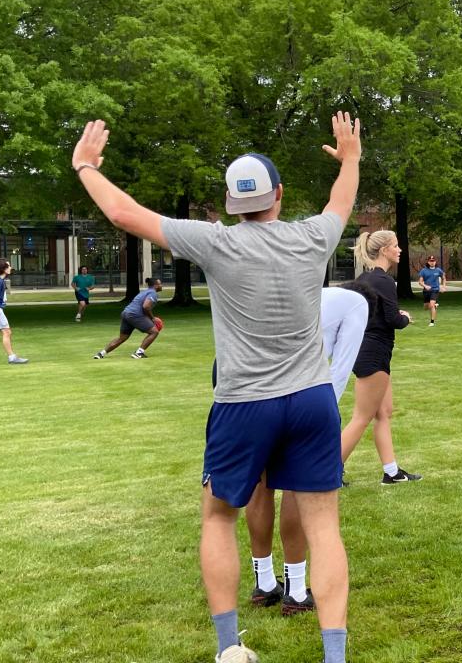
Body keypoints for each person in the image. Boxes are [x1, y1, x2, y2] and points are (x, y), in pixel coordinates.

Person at [72, 111, 360, 663]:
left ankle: (230, 650)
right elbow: (341, 200)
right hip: (311, 401)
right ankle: (334, 657)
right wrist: (350, 158)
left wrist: (85, 165)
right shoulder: (311, 237)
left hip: (243, 404)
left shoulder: (213, 242)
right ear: (278, 194)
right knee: (324, 528)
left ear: (231, 203)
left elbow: (122, 211)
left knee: (217, 517)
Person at [245, 281, 374, 617]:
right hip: (302, 397)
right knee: (296, 487)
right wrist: (324, 415)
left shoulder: (293, 294)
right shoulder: (357, 306)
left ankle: (264, 583)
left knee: (262, 484)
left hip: (252, 391)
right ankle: (297, 590)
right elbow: (341, 367)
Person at [340, 230, 422, 485]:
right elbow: (392, 320)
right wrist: (405, 317)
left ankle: (391, 472)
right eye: (396, 246)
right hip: (373, 353)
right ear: (384, 249)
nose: (399, 250)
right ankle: (328, 471)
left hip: (370, 352)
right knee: (361, 417)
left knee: (384, 412)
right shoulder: (384, 281)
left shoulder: (364, 279)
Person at [93, 278, 162, 359]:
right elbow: (146, 306)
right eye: (160, 284)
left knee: (122, 338)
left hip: (126, 313)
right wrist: (152, 318)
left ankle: (101, 354)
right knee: (154, 332)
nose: (161, 286)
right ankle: (139, 353)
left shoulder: (144, 292)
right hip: (134, 315)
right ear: (155, 285)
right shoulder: (153, 293)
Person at [0, 259, 29, 364]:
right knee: (7, 332)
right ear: (2, 268)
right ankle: (12, 357)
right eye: (8, 266)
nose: (10, 268)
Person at [417, 255, 446, 326]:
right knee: (426, 307)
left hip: (435, 290)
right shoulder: (423, 271)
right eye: (431, 261)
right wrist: (425, 286)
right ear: (428, 262)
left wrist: (443, 286)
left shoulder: (438, 270)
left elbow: (444, 278)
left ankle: (432, 322)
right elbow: (420, 282)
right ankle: (434, 305)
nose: (432, 262)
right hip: (426, 291)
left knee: (432, 305)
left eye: (433, 261)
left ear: (435, 262)